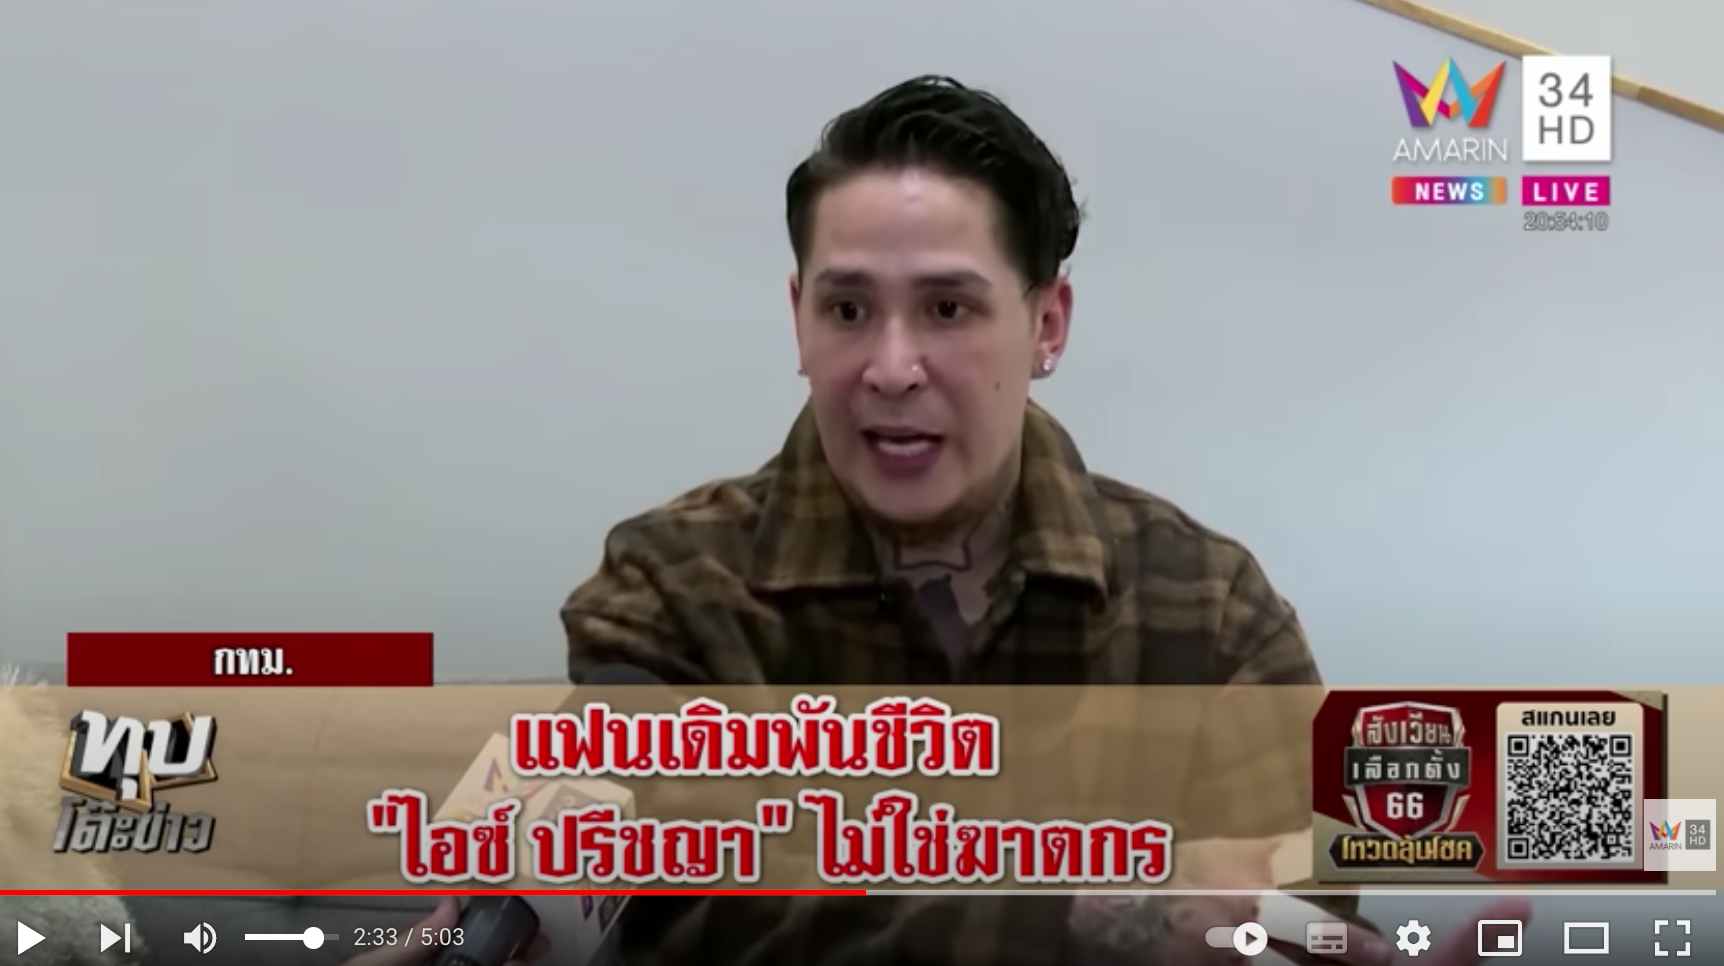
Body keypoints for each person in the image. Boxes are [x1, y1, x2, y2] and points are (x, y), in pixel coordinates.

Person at [559, 76, 1529, 965]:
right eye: (847, 309)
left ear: (1048, 325)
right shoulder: (667, 589)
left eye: (947, 308)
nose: (890, 368)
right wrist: (1094, 910)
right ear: (797, 319)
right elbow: (691, 913)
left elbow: (1287, 915)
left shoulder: (1213, 613)